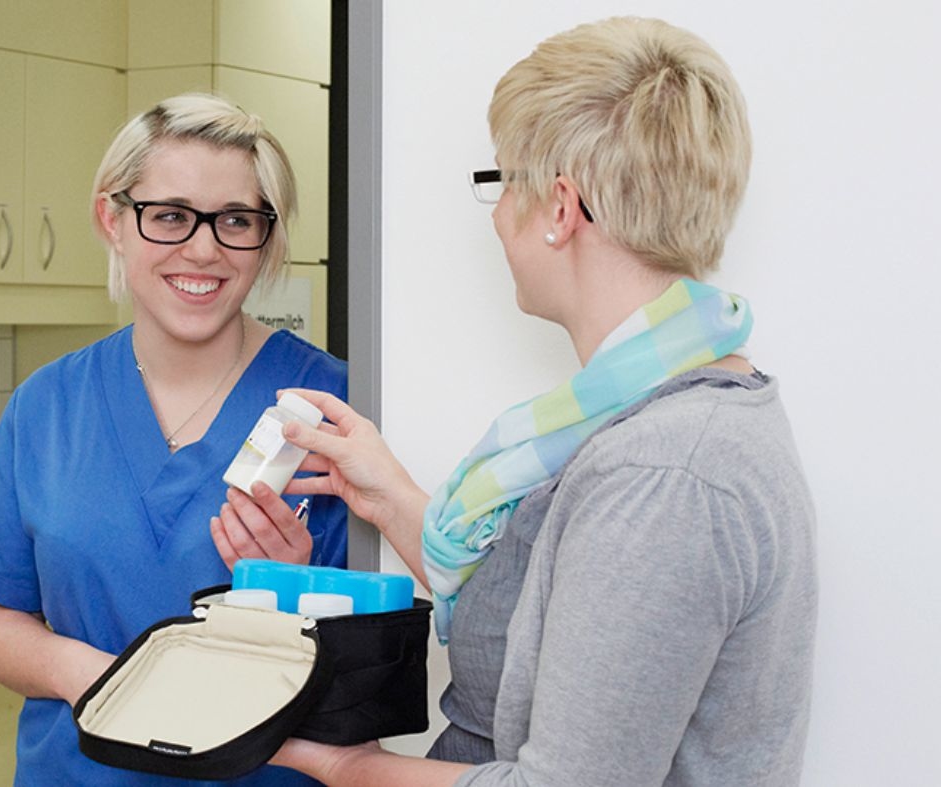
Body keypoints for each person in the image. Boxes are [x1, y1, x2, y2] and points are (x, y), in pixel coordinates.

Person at [260, 17, 817, 786]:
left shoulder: (664, 474)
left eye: (502, 182)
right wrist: (387, 495)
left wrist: (348, 764)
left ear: (560, 207)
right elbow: (549, 616)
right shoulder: (662, 410)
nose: (495, 214)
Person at [0, 93, 348, 786]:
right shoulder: (49, 405)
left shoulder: (330, 409)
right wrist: (100, 677)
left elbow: (384, 660)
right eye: (170, 216)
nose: (203, 249)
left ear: (267, 236)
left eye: (236, 220)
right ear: (113, 219)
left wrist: (291, 589)